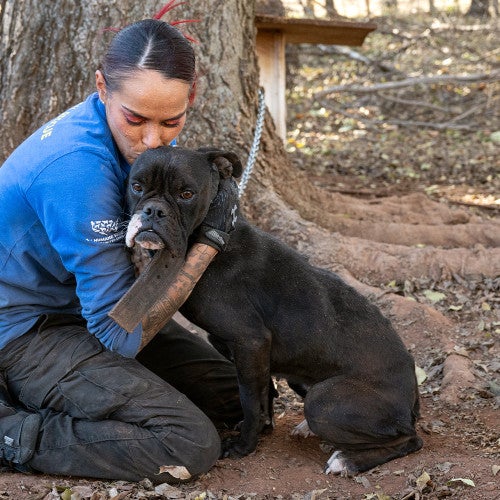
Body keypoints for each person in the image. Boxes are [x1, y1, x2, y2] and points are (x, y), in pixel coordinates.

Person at [0, 7, 243, 483]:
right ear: (101, 87)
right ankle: (12, 430)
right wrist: (208, 242)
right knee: (187, 442)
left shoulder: (136, 143)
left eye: (172, 122)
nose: (152, 139)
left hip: (80, 310)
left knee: (237, 399)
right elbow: (119, 334)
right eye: (135, 119)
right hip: (23, 331)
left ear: (191, 100)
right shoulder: (76, 169)